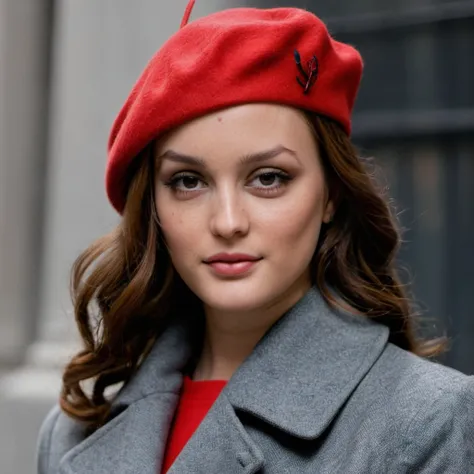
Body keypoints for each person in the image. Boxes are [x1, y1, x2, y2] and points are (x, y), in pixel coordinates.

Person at [36, 1, 474, 473]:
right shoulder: (73, 430)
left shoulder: (429, 419)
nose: (227, 222)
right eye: (188, 181)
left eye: (268, 178)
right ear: (154, 207)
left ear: (330, 195)